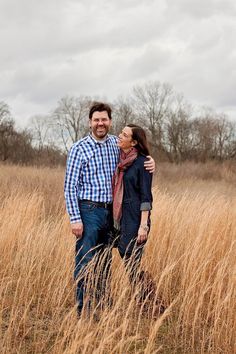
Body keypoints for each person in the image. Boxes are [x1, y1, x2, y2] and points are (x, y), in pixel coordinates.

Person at [64, 102, 155, 316]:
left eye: (104, 119)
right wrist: (75, 218)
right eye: (96, 120)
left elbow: (137, 155)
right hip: (89, 211)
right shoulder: (79, 148)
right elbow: (70, 187)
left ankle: (101, 306)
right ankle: (84, 310)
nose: (100, 123)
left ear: (110, 121)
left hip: (113, 214)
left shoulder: (116, 143)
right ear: (90, 122)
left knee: (104, 262)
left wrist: (151, 162)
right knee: (85, 259)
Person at [112, 124, 153, 293]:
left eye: (124, 135)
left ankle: (146, 297)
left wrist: (143, 225)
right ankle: (143, 295)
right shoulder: (120, 159)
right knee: (125, 256)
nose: (119, 136)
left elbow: (146, 197)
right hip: (119, 217)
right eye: (121, 132)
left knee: (131, 258)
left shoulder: (143, 163)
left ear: (134, 142)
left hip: (135, 219)